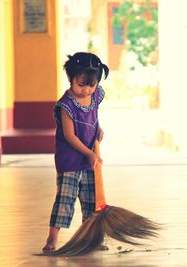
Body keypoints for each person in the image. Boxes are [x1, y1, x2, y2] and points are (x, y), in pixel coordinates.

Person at [43, 52, 109, 254]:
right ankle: (52, 239)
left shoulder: (95, 95)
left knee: (91, 202)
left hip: (90, 159)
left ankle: (93, 239)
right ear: (71, 79)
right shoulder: (66, 105)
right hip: (70, 161)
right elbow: (70, 136)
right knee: (66, 199)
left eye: (92, 84)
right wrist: (89, 154)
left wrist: (98, 128)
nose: (86, 90)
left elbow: (94, 116)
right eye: (81, 84)